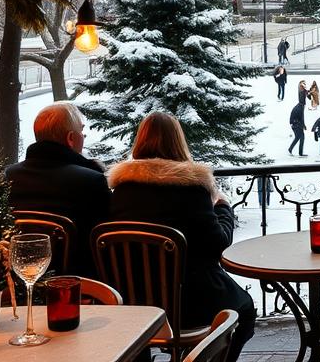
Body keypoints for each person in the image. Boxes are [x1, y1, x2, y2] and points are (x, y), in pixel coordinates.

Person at [107, 112, 256, 357]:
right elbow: (218, 243)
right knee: (245, 310)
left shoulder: (121, 191)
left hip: (136, 304)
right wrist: (222, 206)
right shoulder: (191, 189)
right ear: (178, 142)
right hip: (191, 302)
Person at [6, 102, 110, 278]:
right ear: (71, 138)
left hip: (18, 281)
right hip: (77, 285)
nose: (83, 135)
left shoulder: (8, 177)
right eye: (81, 131)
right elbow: (103, 243)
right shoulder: (91, 181)